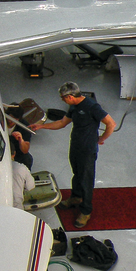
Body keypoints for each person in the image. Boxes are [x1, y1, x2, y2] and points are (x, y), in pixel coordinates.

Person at [31, 81, 116, 228]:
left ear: (70, 96)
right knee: (76, 173)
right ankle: (76, 197)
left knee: (86, 179)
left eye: (63, 98)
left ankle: (86, 211)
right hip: (75, 146)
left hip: (87, 150)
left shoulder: (92, 106)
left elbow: (111, 123)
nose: (62, 100)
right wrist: (42, 126)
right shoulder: (74, 107)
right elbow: (63, 122)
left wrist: (101, 139)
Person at [5, 103, 33, 170]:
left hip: (16, 152)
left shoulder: (24, 127)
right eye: (10, 117)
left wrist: (21, 140)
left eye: (15, 119)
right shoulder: (1, 119)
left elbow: (25, 150)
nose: (11, 120)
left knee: (27, 159)